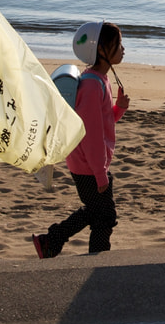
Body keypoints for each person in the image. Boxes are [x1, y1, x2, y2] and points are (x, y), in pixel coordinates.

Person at [32, 22, 130, 258]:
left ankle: (52, 241)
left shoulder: (98, 80)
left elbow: (102, 122)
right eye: (118, 44)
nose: (123, 49)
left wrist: (119, 109)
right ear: (103, 49)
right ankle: (90, 255)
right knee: (104, 217)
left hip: (89, 163)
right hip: (88, 165)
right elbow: (91, 134)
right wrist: (100, 172)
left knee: (97, 213)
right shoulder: (91, 84)